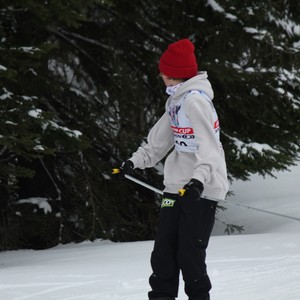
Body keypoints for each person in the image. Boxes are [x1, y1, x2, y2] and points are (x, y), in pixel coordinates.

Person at [116, 39, 229, 300]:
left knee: (190, 254)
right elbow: (159, 142)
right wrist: (134, 162)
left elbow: (209, 148)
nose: (160, 76)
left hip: (202, 188)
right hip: (176, 185)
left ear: (175, 74)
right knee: (164, 252)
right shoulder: (176, 101)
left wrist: (198, 182)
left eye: (164, 72)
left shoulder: (196, 102)